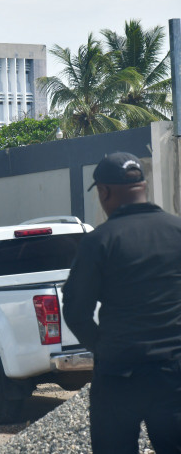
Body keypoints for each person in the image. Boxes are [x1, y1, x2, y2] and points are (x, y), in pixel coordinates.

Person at [62, 152, 181, 453]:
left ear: (104, 191)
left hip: (119, 376)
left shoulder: (99, 241)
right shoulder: (177, 231)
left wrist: (103, 347)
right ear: (143, 184)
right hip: (174, 374)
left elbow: (76, 311)